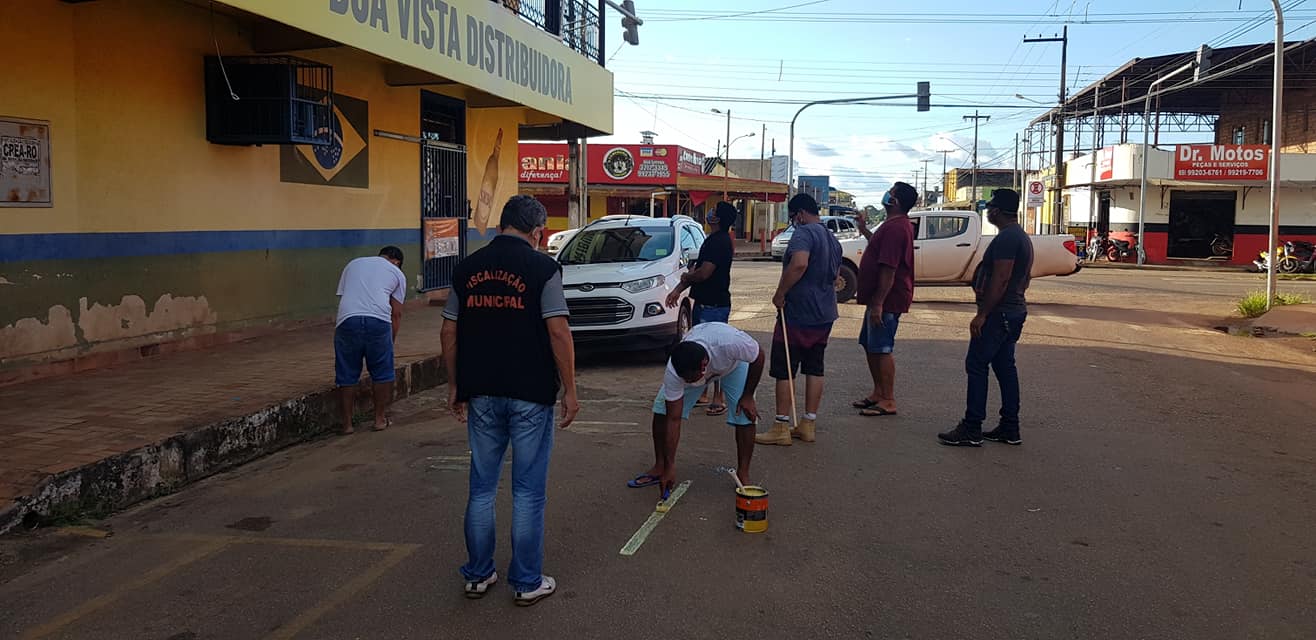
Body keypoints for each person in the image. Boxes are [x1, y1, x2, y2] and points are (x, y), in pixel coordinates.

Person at [441, 195, 580, 607]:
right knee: (527, 492)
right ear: (537, 232)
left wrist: (454, 385)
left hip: (481, 392)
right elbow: (558, 332)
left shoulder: (466, 269)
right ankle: (525, 581)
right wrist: (571, 389)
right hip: (530, 395)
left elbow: (449, 333)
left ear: (501, 225)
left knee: (481, 487)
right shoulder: (543, 268)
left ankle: (479, 574)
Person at [938, 188, 1033, 447]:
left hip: (1000, 314)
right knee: (1004, 368)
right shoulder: (1018, 236)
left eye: (990, 207)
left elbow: (1001, 279)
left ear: (998, 211)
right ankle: (1009, 427)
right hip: (1012, 311)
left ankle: (972, 427)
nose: (988, 210)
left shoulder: (1007, 239)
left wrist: (983, 314)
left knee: (977, 365)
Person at [627, 322, 764, 496]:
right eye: (684, 379)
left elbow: (759, 356)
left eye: (690, 379)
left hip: (733, 366)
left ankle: (743, 472)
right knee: (662, 411)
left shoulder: (731, 343)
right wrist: (671, 466)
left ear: (704, 366)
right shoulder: (675, 372)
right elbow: (673, 419)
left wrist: (748, 396)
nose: (688, 383)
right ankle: (661, 466)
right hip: (700, 363)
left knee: (745, 414)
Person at [757, 193, 841, 446]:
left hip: (798, 313)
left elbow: (799, 264)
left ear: (801, 213)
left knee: (785, 369)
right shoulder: (831, 237)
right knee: (815, 367)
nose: (794, 222)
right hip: (824, 312)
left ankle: (781, 425)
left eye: (793, 217)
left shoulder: (804, 233)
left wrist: (780, 293)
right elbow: (835, 275)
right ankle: (808, 423)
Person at [852, 182, 918, 418]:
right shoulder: (891, 226)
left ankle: (888, 399)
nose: (887, 195)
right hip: (878, 299)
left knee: (882, 348)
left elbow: (889, 268)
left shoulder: (896, 228)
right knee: (870, 346)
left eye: (890, 192)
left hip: (887, 300)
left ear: (895, 201)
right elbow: (879, 248)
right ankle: (878, 393)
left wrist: (879, 302)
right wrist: (863, 228)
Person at [665, 201, 737, 415]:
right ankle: (704, 393)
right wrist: (678, 289)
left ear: (717, 219)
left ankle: (719, 397)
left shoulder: (720, 242)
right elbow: (697, 271)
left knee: (716, 351)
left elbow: (703, 273)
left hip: (714, 306)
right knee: (701, 350)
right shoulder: (712, 240)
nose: (710, 212)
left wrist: (686, 277)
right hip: (705, 304)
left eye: (713, 210)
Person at [333, 246, 407, 434]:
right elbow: (396, 314)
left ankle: (348, 424)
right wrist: (390, 341)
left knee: (347, 372)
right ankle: (379, 419)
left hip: (347, 319)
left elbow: (347, 295)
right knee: (382, 372)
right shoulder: (397, 273)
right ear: (396, 261)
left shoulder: (353, 264)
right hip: (378, 320)